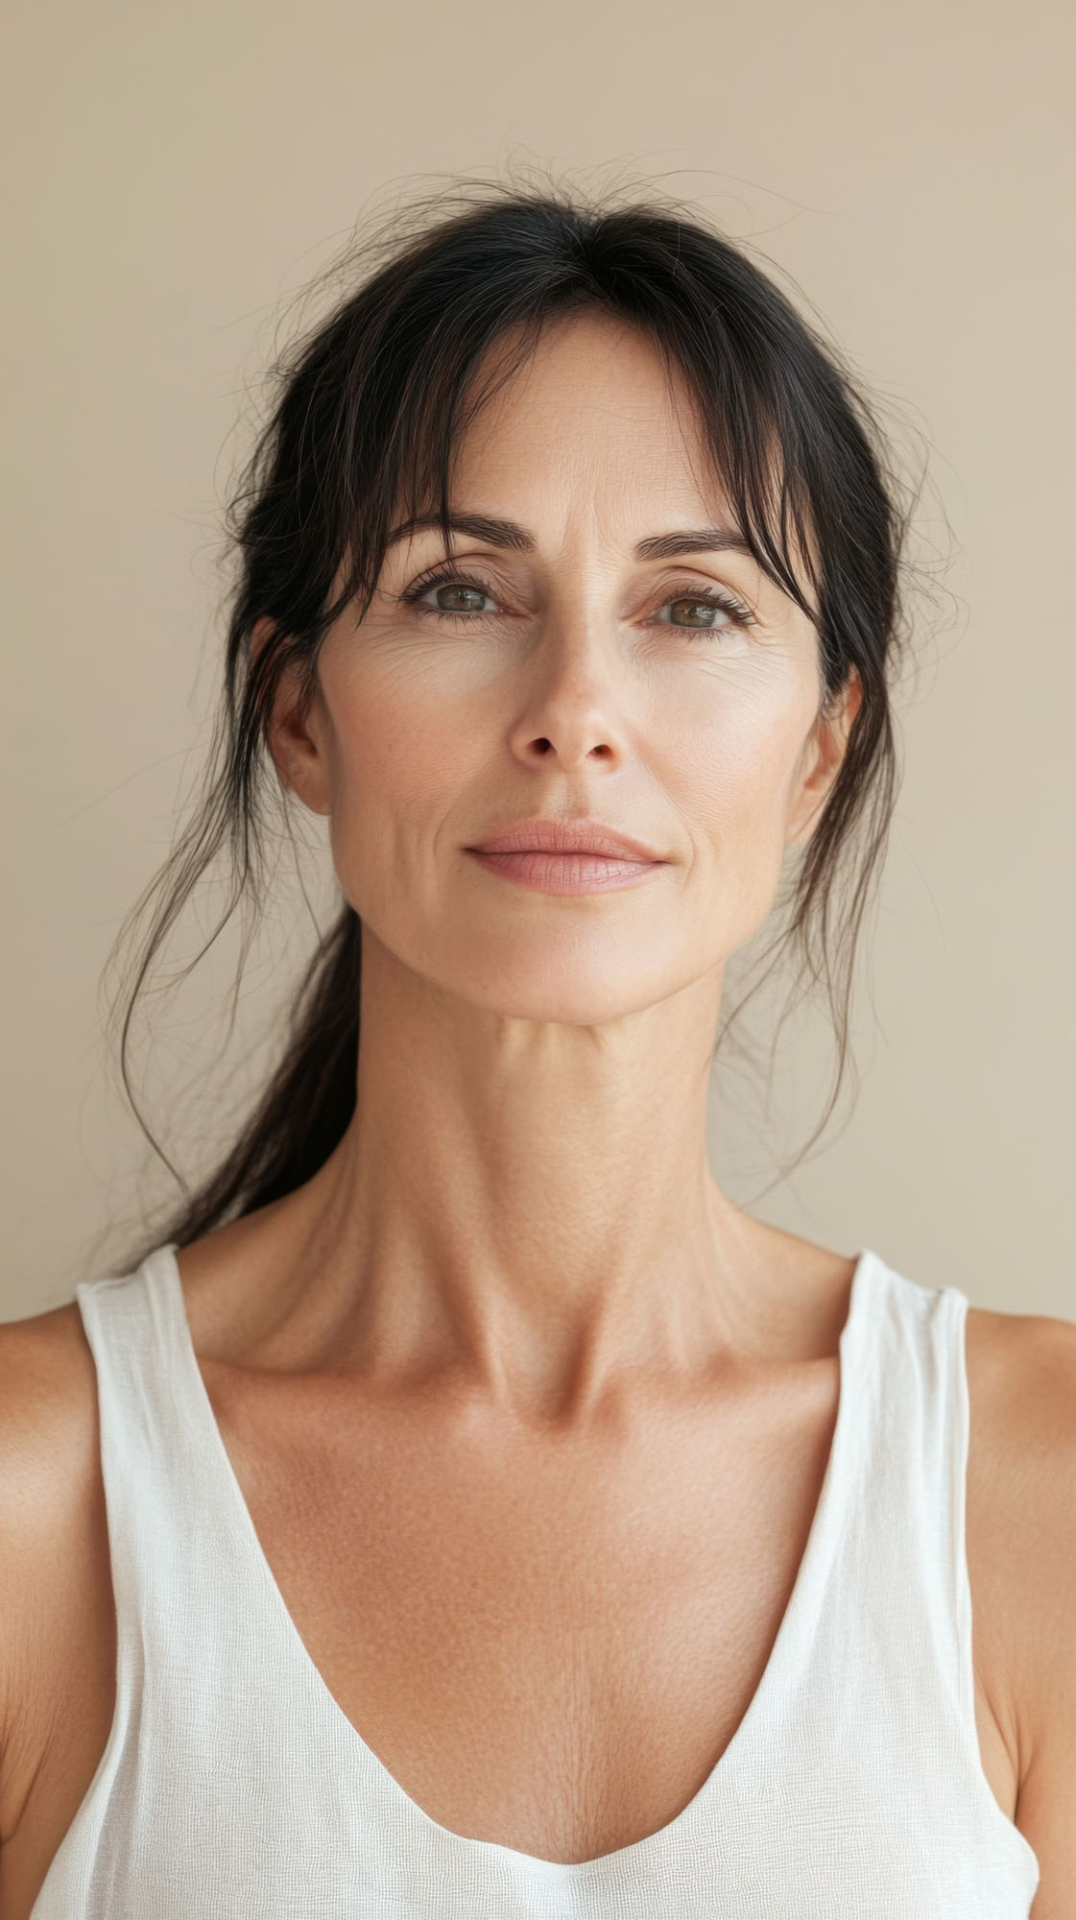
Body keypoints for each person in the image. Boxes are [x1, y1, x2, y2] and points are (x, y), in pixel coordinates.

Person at [1, 185, 1072, 1920]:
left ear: (821, 747)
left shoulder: (1038, 1493)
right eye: (459, 589)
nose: (575, 710)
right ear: (298, 711)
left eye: (693, 608)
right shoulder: (33, 1501)